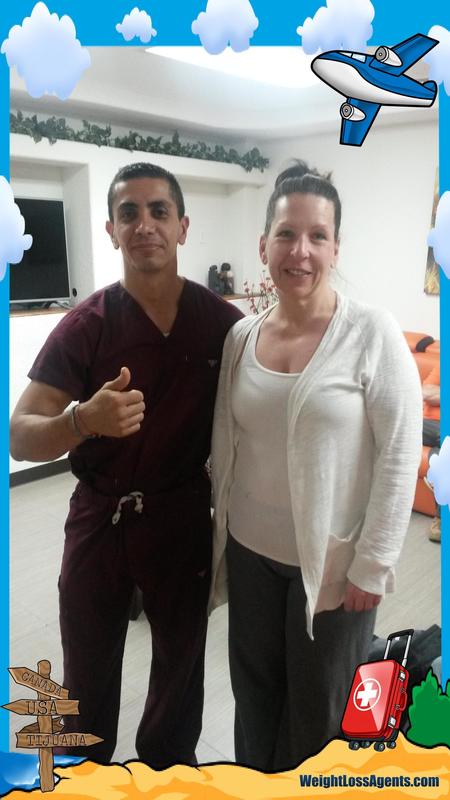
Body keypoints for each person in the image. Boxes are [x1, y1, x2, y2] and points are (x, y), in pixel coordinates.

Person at [9, 162, 242, 767]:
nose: (145, 225)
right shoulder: (86, 326)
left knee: (181, 670)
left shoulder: (222, 325)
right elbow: (19, 435)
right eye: (128, 213)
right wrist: (80, 421)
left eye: (159, 211)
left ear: (183, 226)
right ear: (111, 230)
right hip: (100, 517)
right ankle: (83, 775)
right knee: (85, 674)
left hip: (181, 515)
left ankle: (167, 772)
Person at [209, 161, 423, 771]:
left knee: (319, 710)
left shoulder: (371, 333)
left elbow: (400, 452)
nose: (299, 251)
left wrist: (373, 564)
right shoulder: (241, 338)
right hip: (250, 552)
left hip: (332, 564)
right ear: (264, 246)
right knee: (255, 696)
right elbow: (229, 442)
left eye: (317, 236)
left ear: (335, 248)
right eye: (286, 234)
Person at [422, 362, 441, 541]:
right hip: (426, 424)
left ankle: (441, 519)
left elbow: (433, 394)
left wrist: (439, 394)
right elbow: (425, 391)